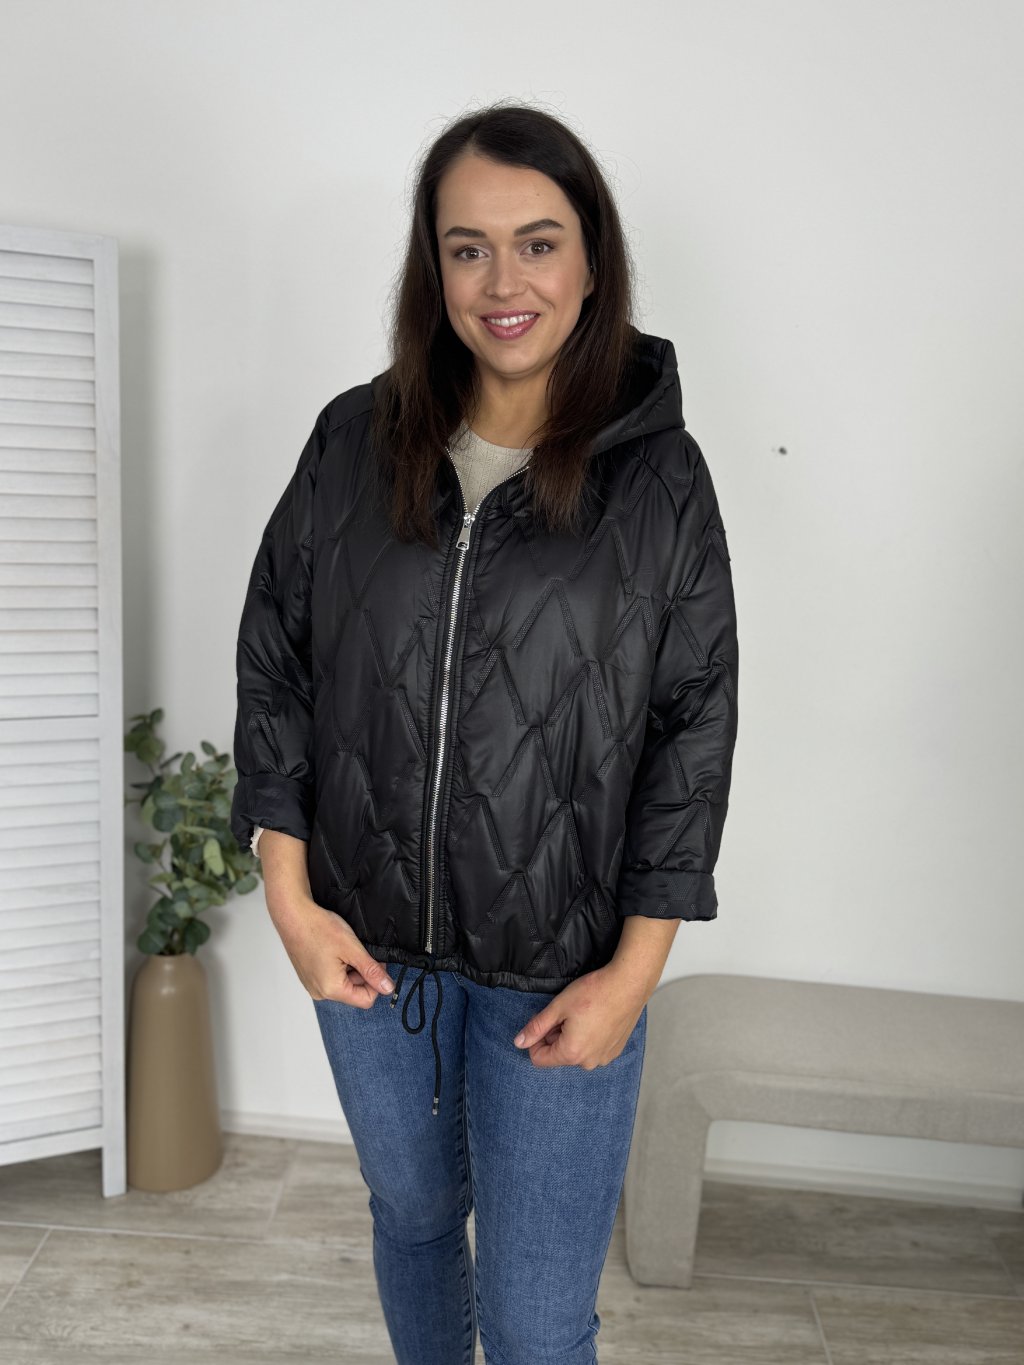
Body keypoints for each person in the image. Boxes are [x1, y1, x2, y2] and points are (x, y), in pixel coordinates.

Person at [230, 101, 739, 1365]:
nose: (504, 283)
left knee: (533, 1321)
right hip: (365, 954)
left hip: (559, 969)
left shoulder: (659, 477)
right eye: (468, 248)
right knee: (410, 1223)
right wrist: (290, 901)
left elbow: (692, 730)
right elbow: (276, 663)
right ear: (433, 268)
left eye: (537, 243)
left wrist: (632, 976)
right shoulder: (353, 442)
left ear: (592, 261)